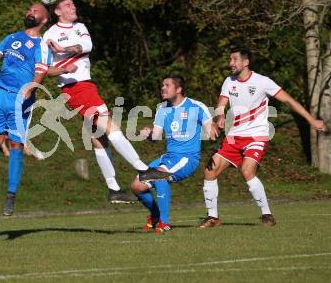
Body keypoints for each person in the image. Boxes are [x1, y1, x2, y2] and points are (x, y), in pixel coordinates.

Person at [43, 0, 161, 203]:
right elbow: (44, 68)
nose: (73, 7)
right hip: (75, 88)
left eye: (73, 4)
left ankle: (113, 189)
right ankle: (143, 169)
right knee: (111, 126)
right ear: (57, 11)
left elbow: (86, 46)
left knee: (99, 138)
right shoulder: (49, 35)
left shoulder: (80, 27)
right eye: (67, 5)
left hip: (85, 85)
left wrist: (64, 50)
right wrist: (61, 67)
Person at [199, 48, 327, 228]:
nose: (231, 63)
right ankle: (213, 217)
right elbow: (221, 103)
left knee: (247, 170)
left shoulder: (262, 82)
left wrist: (311, 120)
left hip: (256, 136)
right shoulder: (229, 81)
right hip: (234, 137)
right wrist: (219, 116)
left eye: (234, 59)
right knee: (210, 171)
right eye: (230, 59)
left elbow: (289, 101)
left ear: (246, 62)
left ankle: (267, 215)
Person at [0, 3, 60, 216]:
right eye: (29, 10)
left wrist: (32, 86)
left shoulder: (41, 45)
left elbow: (41, 70)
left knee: (15, 144)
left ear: (44, 19)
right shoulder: (11, 37)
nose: (29, 12)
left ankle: (11, 196)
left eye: (35, 11)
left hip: (20, 98)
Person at [130, 75, 216, 233]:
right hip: (168, 157)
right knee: (137, 185)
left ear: (178, 89)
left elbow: (212, 130)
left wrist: (214, 134)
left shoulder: (196, 107)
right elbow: (156, 137)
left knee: (159, 175)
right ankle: (155, 215)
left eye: (167, 85)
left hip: (187, 158)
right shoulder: (162, 110)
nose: (163, 88)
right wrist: (148, 134)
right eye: (162, 85)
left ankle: (165, 222)